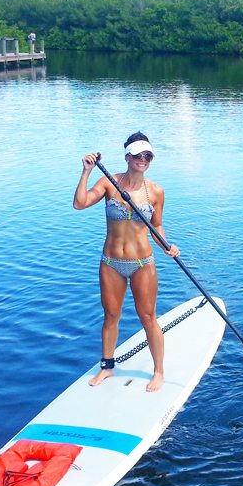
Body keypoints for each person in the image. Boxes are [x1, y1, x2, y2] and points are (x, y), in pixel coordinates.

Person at [74, 132, 180, 391]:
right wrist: (86, 171)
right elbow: (80, 204)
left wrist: (168, 246)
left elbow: (157, 226)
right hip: (111, 263)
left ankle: (158, 371)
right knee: (111, 316)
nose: (143, 159)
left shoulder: (156, 191)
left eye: (148, 156)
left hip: (143, 263)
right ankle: (107, 367)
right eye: (138, 155)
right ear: (127, 157)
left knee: (148, 317)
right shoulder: (109, 183)